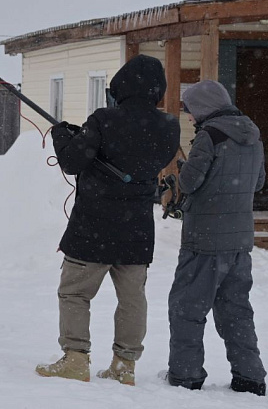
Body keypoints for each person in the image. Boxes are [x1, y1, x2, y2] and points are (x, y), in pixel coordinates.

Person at [35, 55, 180, 385]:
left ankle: (75, 358)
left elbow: (73, 161)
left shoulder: (104, 119)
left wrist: (62, 136)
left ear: (122, 85)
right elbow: (138, 156)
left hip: (94, 226)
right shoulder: (170, 126)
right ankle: (124, 365)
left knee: (74, 293)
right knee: (132, 299)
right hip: (138, 229)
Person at [165, 80, 266, 396]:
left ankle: (186, 376)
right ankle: (250, 377)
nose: (190, 117)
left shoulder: (210, 136)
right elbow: (259, 182)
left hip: (205, 240)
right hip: (239, 241)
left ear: (204, 108)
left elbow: (191, 183)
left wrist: (182, 169)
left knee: (187, 308)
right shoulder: (253, 135)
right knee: (236, 310)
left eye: (191, 111)